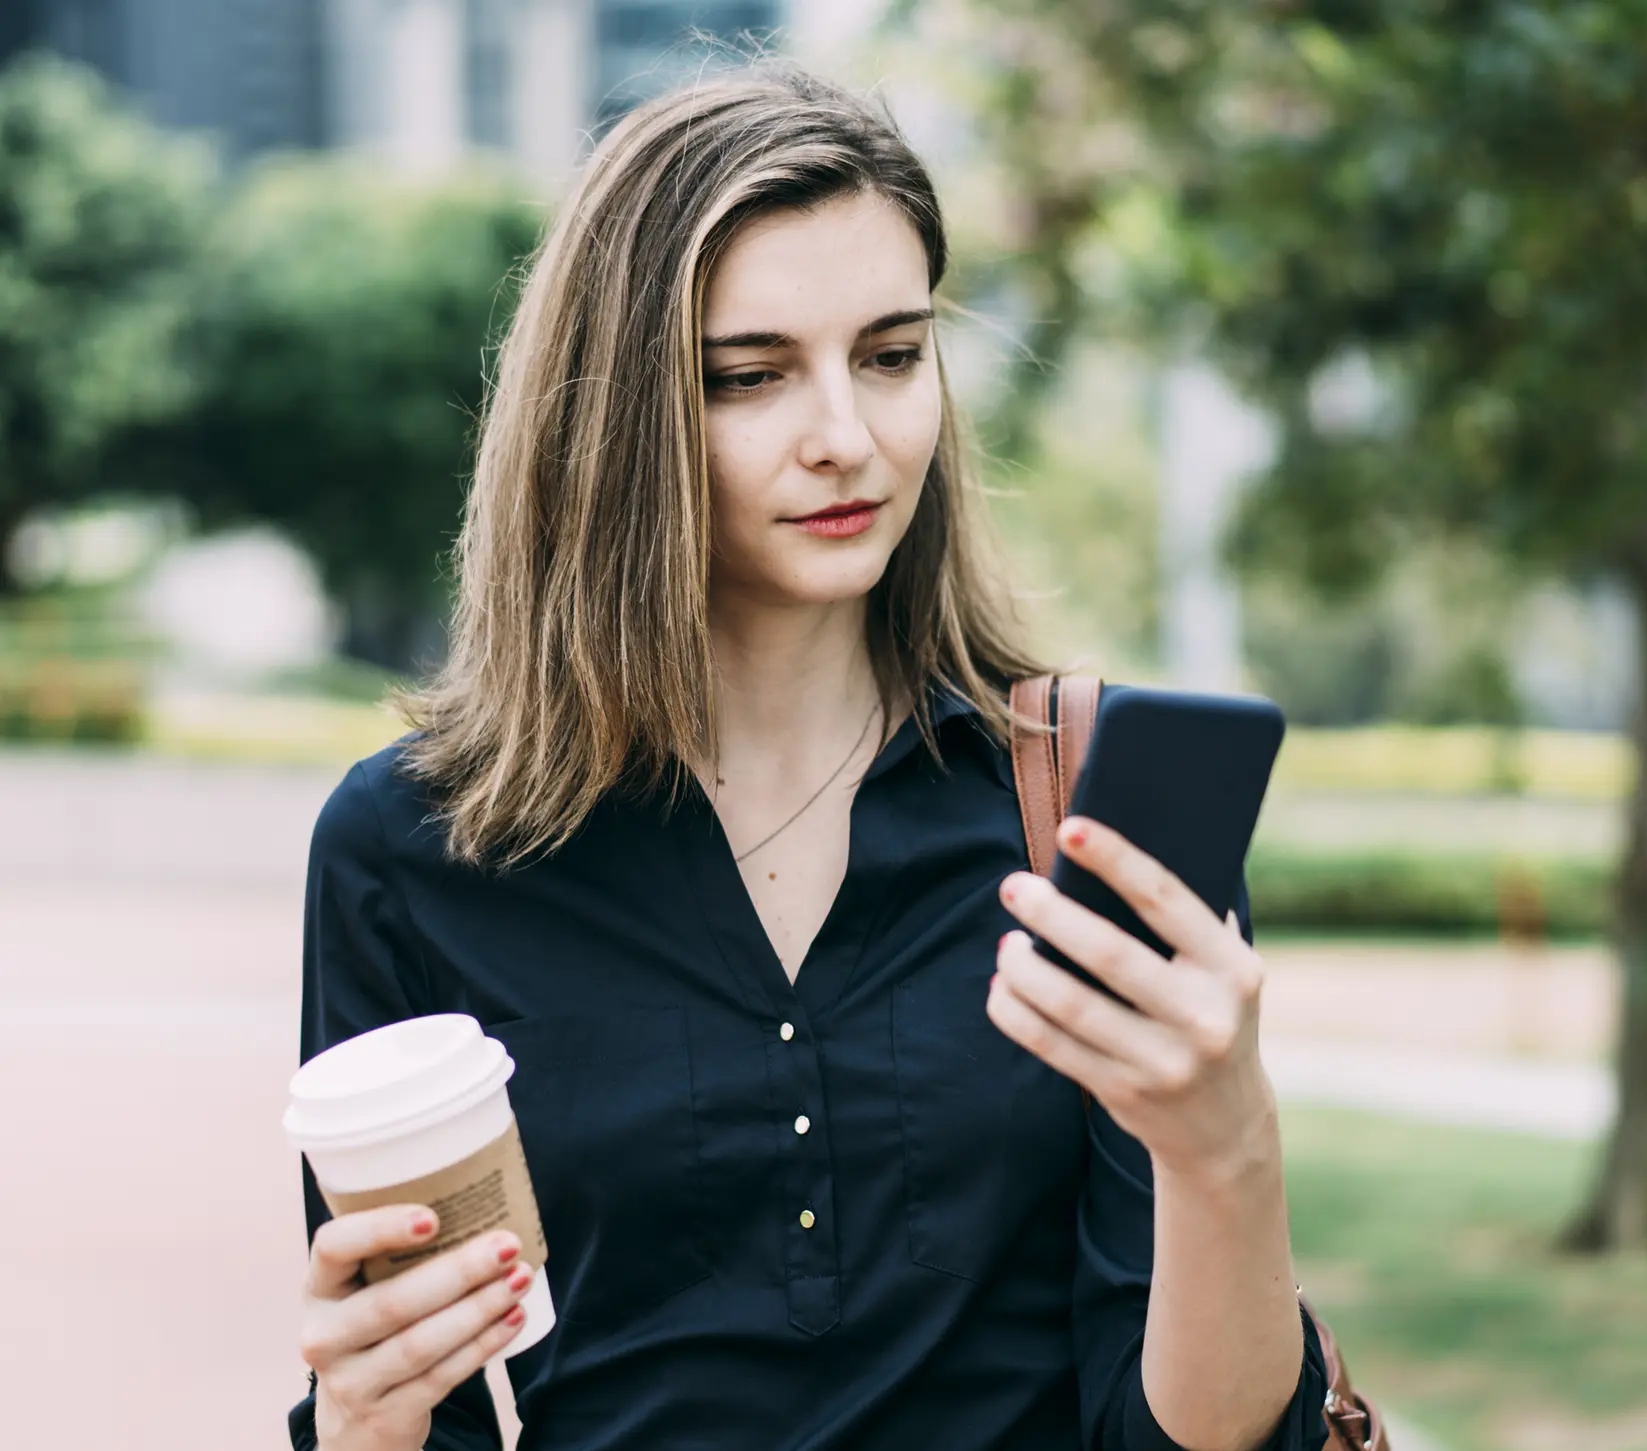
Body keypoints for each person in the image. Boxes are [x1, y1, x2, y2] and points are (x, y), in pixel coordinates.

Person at [291, 65, 1339, 1451]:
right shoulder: (415, 852)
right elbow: (437, 1406)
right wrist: (364, 1425)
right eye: (750, 375)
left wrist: (1228, 1155)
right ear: (612, 422)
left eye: (894, 355)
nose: (848, 438)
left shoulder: (1086, 810)